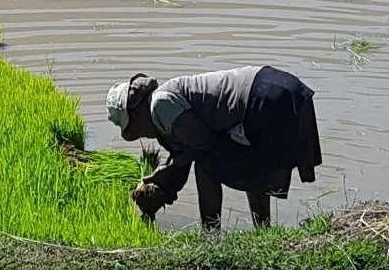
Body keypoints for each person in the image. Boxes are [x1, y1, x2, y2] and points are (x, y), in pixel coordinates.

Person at [105, 66, 322, 231]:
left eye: (136, 129)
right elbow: (192, 146)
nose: (142, 135)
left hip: (264, 99)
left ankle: (210, 235)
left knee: (207, 164)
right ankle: (263, 230)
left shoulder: (160, 105)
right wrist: (168, 174)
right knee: (250, 164)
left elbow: (202, 144)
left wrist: (167, 173)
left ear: (136, 113)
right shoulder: (169, 95)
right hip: (282, 88)